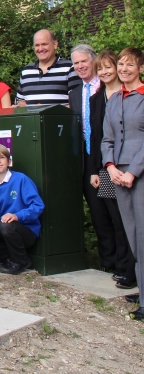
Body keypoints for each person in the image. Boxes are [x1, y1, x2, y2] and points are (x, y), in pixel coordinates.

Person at [101, 47, 144, 317]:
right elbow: (107, 139)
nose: (124, 69)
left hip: (138, 174)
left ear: (140, 67)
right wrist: (111, 167)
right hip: (118, 174)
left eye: (130, 65)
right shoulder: (115, 98)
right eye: (121, 65)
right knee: (132, 235)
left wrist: (133, 171)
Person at [87, 50, 135, 288]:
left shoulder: (129, 95)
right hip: (106, 167)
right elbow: (97, 136)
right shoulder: (96, 99)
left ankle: (130, 267)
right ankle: (119, 264)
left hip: (129, 165)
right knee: (114, 218)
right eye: (101, 69)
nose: (105, 72)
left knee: (128, 219)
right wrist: (96, 169)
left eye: (109, 67)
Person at [69, 44, 116, 275]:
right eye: (76, 63)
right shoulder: (75, 92)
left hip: (107, 158)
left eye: (83, 62)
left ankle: (124, 261)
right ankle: (108, 261)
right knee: (97, 211)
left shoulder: (106, 88)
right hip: (87, 160)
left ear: (93, 61)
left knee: (113, 209)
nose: (80, 66)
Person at [0, 143, 45, 275]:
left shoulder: (21, 179)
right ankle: (7, 258)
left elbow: (37, 206)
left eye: (2, 158)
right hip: (4, 232)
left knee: (7, 226)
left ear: (9, 161)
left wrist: (17, 216)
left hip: (25, 230)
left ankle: (20, 261)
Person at [15, 29, 79, 106]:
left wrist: (46, 113)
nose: (40, 49)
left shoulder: (70, 68)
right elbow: (20, 102)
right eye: (37, 45)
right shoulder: (26, 71)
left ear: (55, 44)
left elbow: (77, 102)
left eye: (44, 44)